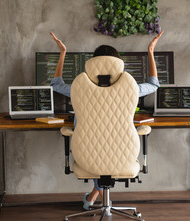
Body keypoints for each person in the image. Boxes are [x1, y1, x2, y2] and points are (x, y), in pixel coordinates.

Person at [50, 31, 164, 210]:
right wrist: (150, 51)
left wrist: (63, 52)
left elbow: (56, 84)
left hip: (86, 148)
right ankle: (100, 201)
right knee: (109, 152)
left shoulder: (79, 88)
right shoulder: (131, 88)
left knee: (97, 150)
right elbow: (154, 84)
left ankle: (97, 199)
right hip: (122, 148)